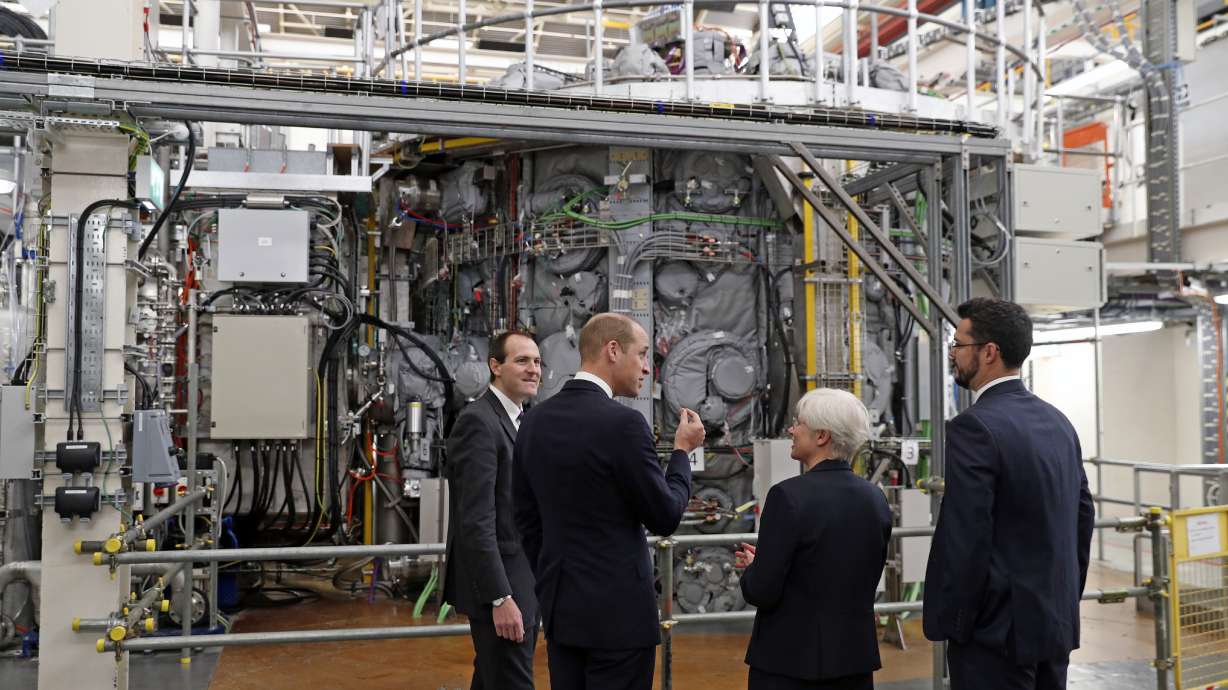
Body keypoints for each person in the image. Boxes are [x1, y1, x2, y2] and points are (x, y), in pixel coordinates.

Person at [513, 312, 706, 690]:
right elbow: (665, 516)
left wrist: (554, 581)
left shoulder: (533, 422)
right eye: (643, 354)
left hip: (562, 611)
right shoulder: (624, 424)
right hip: (620, 621)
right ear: (613, 350)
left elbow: (525, 518)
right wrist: (682, 453)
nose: (647, 368)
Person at [923, 298, 1095, 690]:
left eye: (958, 344)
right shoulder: (1058, 422)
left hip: (996, 635)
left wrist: (958, 622)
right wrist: (1063, 598)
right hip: (1053, 624)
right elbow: (1083, 515)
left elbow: (967, 535)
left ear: (989, 352)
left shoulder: (974, 427)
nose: (952, 353)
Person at [735, 388, 892, 690]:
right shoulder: (875, 498)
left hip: (790, 664)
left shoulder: (787, 497)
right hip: (853, 663)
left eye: (798, 423)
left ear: (821, 436)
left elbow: (762, 591)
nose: (791, 430)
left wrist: (755, 569)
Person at [442, 330, 543, 690]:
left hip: (522, 581)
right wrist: (500, 596)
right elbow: (475, 520)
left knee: (492, 679)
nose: (533, 369)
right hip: (501, 588)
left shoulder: (519, 420)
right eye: (522, 360)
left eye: (537, 361)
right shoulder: (479, 422)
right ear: (495, 366)